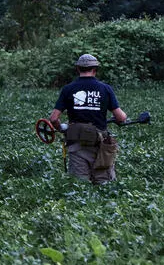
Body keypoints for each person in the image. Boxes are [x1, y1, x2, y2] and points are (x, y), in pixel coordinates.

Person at [49, 54, 127, 184]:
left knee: (79, 188)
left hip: (77, 147)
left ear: (78, 69)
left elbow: (53, 119)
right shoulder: (105, 89)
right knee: (104, 186)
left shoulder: (68, 89)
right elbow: (121, 117)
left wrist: (61, 128)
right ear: (95, 69)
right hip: (100, 147)